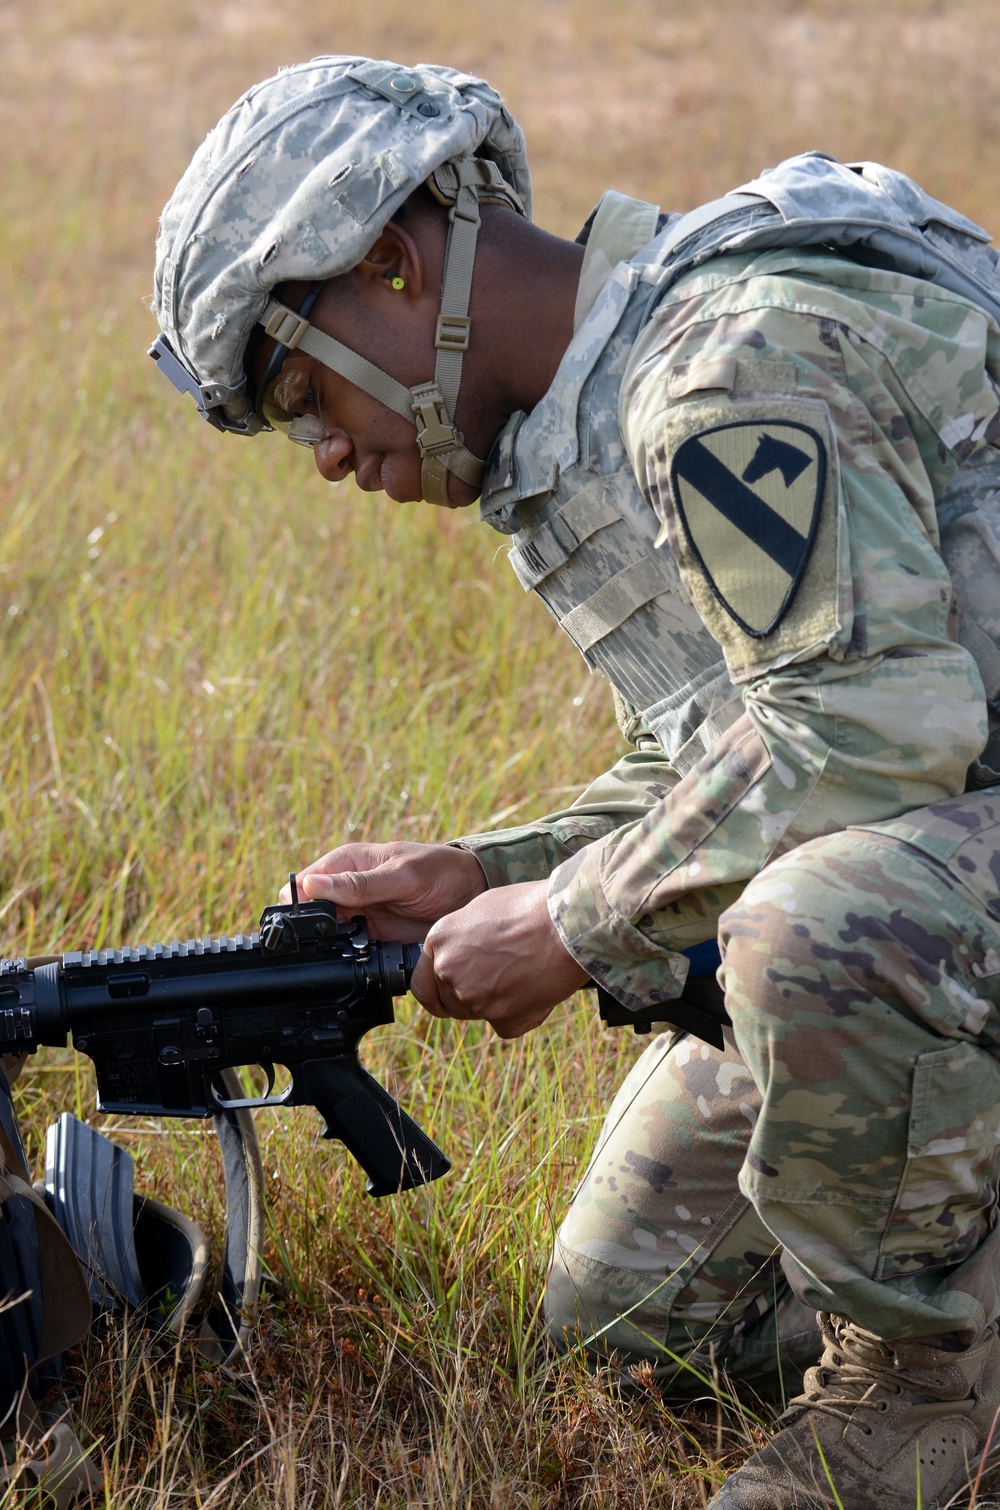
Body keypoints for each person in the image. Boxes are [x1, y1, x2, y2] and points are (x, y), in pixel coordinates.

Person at [151, 54, 1000, 1507]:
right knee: (630, 1313)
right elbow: (733, 750)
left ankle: (924, 1404)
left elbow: (871, 731)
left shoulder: (722, 375)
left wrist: (564, 925)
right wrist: (490, 871)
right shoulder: (597, 418)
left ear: (391, 266)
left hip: (921, 874)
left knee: (808, 926)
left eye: (298, 390)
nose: (323, 455)